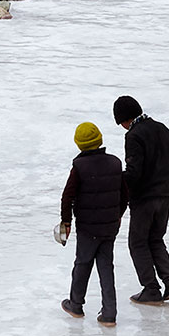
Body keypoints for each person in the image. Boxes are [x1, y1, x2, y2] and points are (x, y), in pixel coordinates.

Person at [54, 119, 124, 322]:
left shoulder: (79, 166)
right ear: (99, 139)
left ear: (79, 144)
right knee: (106, 267)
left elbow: (67, 196)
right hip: (110, 225)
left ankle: (76, 304)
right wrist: (118, 215)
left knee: (83, 263)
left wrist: (66, 222)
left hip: (87, 227)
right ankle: (109, 313)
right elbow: (124, 193)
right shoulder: (115, 162)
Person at [116, 93, 169, 303]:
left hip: (146, 197)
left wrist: (116, 179)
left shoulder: (134, 135)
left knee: (137, 242)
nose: (122, 127)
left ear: (125, 119)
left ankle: (151, 288)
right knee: (155, 238)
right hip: (167, 192)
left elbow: (134, 174)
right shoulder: (162, 128)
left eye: (121, 123)